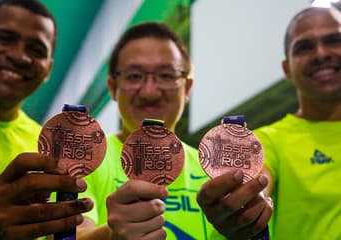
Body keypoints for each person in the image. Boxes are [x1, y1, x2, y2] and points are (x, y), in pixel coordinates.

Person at [76, 22, 272, 240]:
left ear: (187, 88)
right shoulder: (86, 161)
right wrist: (111, 236)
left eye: (166, 76)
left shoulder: (214, 171)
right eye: (134, 76)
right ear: (113, 87)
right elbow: (72, 233)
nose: (149, 92)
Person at [0, 0, 92, 238]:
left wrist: (114, 231)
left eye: (36, 50)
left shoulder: (49, 145)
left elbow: (77, 223)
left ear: (48, 70)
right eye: (5, 39)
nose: (19, 56)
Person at [198, 6, 341, 240]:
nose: (321, 54)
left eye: (334, 40)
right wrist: (243, 201)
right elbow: (257, 178)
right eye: (304, 47)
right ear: (287, 69)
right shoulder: (267, 140)